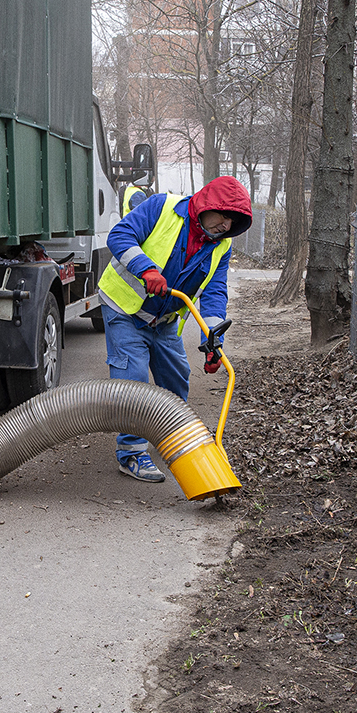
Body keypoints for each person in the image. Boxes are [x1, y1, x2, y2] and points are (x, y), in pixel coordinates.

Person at [97, 174, 252, 482]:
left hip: (165, 319)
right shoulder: (161, 207)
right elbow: (119, 236)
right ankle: (131, 452)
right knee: (133, 379)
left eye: (232, 224)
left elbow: (214, 292)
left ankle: (171, 435)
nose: (226, 227)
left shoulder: (221, 246)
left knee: (176, 377)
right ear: (208, 205)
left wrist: (213, 339)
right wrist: (147, 269)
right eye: (224, 218)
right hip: (125, 307)